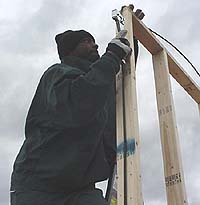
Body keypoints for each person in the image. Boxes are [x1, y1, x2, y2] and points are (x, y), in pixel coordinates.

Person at [10, 7, 144, 205]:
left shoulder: (100, 81)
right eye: (86, 41)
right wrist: (112, 56)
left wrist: (132, 36)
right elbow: (79, 102)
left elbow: (119, 80)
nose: (94, 45)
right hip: (39, 186)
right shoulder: (57, 74)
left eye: (93, 41)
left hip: (81, 187)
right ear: (70, 50)